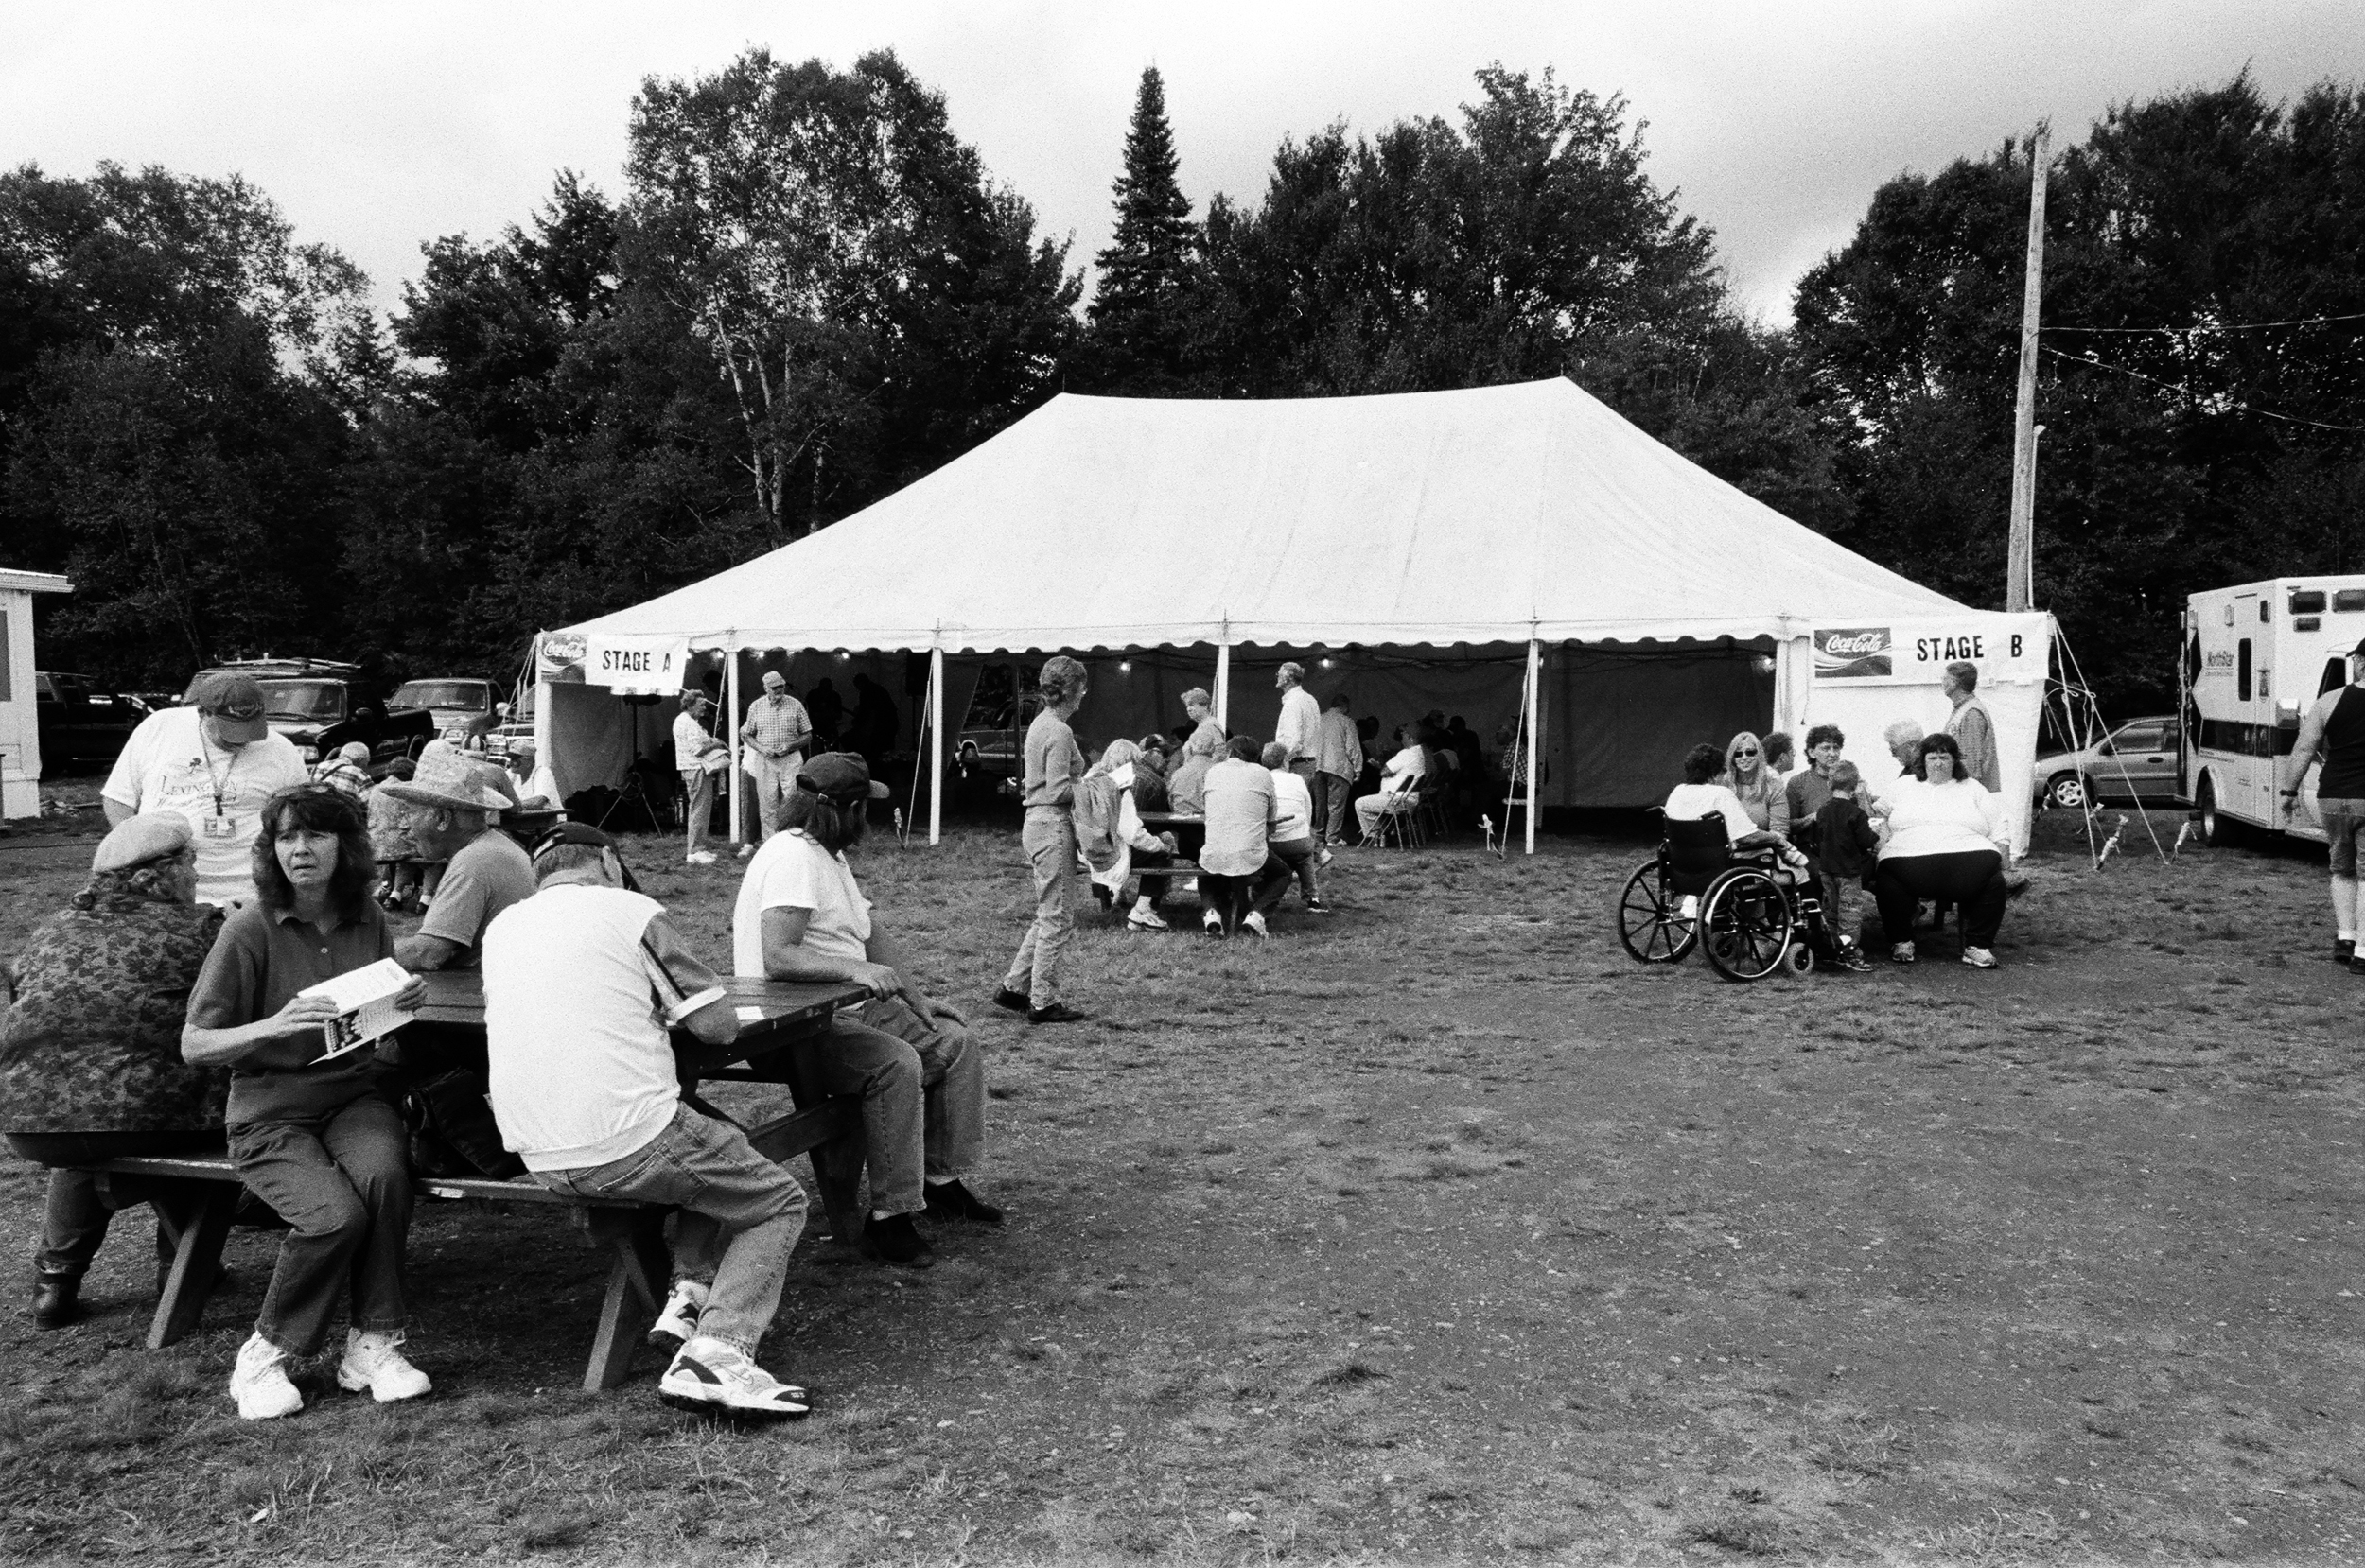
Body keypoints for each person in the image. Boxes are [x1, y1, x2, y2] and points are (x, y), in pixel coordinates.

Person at [482, 824, 812, 1420]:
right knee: (776, 1200)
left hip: (537, 1152)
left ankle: (690, 1295)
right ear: (609, 863)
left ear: (539, 875)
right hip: (626, 1141)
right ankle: (718, 1352)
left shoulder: (503, 927)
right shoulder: (631, 911)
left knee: (719, 1145)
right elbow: (717, 1027)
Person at [182, 786, 431, 1420]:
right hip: (270, 1109)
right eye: (286, 837)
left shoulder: (367, 916)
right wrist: (274, 1025)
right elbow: (195, 1043)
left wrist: (402, 1002)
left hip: (352, 1096)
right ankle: (265, 1354)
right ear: (270, 850)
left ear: (346, 847)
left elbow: (371, 1016)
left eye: (316, 835)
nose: (300, 849)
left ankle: (373, 1344)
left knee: (385, 1180)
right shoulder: (248, 928)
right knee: (333, 1217)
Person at [733, 755, 999, 1270]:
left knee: (953, 1042)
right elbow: (779, 954)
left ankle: (939, 1179)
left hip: (843, 1011)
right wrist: (855, 971)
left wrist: (915, 997)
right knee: (895, 1065)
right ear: (840, 810)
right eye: (862, 808)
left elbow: (870, 931)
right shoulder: (792, 857)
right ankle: (890, 1217)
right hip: (794, 1028)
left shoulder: (825, 854)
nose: (867, 819)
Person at [5, 816, 227, 1330]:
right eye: (191, 864)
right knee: (201, 1102)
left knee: (86, 1130)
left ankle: (54, 1284)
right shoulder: (201, 929)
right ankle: (180, 1267)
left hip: (29, 1121)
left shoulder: (50, 930)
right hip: (143, 1116)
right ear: (161, 874)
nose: (196, 877)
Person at [102, 670, 309, 907]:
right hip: (166, 895)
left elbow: (301, 822)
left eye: (250, 728)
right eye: (230, 730)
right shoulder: (159, 728)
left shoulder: (282, 751)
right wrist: (141, 858)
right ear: (202, 713)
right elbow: (118, 800)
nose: (242, 739)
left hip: (250, 897)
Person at [993, 657, 1091, 1024]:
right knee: (1058, 918)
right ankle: (1043, 1000)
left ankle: (1014, 987)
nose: (1084, 694)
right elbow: (1058, 789)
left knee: (1048, 912)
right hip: (1052, 824)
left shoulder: (1040, 724)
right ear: (1072, 690)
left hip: (1036, 824)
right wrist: (1097, 789)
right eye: (1083, 687)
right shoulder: (1059, 731)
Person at [1870, 733, 2008, 968]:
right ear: (1923, 760)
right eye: (1932, 758)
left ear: (1955, 760)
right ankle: (1902, 941)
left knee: (1994, 882)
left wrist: (2007, 862)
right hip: (1907, 860)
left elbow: (1998, 823)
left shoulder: (1973, 788)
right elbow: (1877, 815)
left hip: (1971, 860)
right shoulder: (1903, 785)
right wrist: (1882, 843)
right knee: (1887, 881)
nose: (1938, 763)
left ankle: (1977, 946)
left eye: (1944, 758)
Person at [386, 754, 534, 970]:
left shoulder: (473, 862)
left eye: (409, 813)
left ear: (442, 818)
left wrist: (354, 962)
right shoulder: (491, 848)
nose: (403, 825)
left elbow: (427, 953)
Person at [2283, 636, 2365, 966]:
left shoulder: (2329, 701)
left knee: (2342, 869)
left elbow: (2303, 749)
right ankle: (2364, 951)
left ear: (2360, 662)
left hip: (2332, 797)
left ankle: (2346, 938)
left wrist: (2288, 792)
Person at [1077, 740, 1182, 931]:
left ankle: (1116, 896)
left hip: (1086, 852)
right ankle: (1142, 911)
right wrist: (1160, 845)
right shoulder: (1119, 789)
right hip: (1111, 855)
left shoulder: (1087, 782)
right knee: (1160, 852)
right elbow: (1132, 833)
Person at [1199, 737, 1288, 936]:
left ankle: (1211, 912)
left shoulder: (1213, 772)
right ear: (1256, 756)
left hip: (1215, 848)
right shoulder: (1263, 773)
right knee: (1282, 873)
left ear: (1230, 752)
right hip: (1250, 850)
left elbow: (1205, 807)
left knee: (1205, 872)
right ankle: (1257, 914)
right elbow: (1271, 816)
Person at [1813, 762, 1881, 973]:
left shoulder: (1822, 810)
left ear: (1829, 784)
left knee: (1832, 909)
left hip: (1826, 869)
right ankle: (1849, 952)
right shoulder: (1856, 814)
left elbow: (1817, 838)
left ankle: (1832, 948)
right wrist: (1875, 835)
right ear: (1855, 787)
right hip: (1848, 871)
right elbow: (1865, 841)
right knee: (1849, 913)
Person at [742, 671, 813, 844]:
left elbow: (808, 735)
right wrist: (761, 748)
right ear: (766, 688)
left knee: (793, 800)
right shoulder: (756, 706)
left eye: (781, 686)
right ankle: (770, 843)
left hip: (790, 759)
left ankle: (794, 840)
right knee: (768, 803)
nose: (779, 690)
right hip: (765, 759)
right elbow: (746, 734)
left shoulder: (795, 704)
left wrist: (790, 745)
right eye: (774, 687)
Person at [1260, 740, 1331, 915]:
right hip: (1297, 842)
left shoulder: (1261, 780)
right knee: (1305, 856)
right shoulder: (1297, 779)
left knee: (1264, 860)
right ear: (1285, 761)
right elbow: (1308, 812)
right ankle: (1312, 898)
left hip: (1269, 843)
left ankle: (1258, 896)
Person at [674, 692, 727, 866]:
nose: (705, 708)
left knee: (700, 808)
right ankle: (695, 851)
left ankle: (699, 848)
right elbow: (697, 750)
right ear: (690, 705)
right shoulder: (688, 723)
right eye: (701, 704)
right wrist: (716, 744)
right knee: (700, 808)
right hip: (696, 768)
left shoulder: (687, 721)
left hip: (694, 768)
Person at [1354, 725, 1428, 843]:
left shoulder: (1407, 753)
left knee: (1360, 803)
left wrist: (1380, 766)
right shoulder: (1420, 754)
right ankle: (1382, 833)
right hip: (1409, 799)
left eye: (1403, 733)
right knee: (1372, 802)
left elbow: (1384, 772)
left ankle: (1375, 837)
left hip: (1396, 800)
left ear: (1410, 737)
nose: (1401, 736)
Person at [367, 758, 423, 910]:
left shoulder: (375, 789)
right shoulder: (407, 789)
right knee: (429, 855)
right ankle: (423, 897)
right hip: (398, 845)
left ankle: (390, 891)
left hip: (375, 844)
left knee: (399, 854)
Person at [1716, 731, 1791, 838]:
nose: (1744, 757)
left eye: (1750, 752)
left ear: (1759, 755)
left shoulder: (1773, 783)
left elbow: (1780, 830)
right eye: (1738, 754)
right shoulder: (1721, 784)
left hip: (1764, 844)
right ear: (1732, 758)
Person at [1941, 663, 2003, 793]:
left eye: (1945, 679)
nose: (1942, 683)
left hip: (1966, 791)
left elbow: (1971, 762)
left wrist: (1965, 794)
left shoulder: (1971, 713)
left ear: (1954, 683)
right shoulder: (1962, 709)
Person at [1166, 688, 1225, 815]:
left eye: (1192, 705)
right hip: (1195, 772)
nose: (1189, 709)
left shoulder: (1211, 724)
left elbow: (1220, 750)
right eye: (1187, 706)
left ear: (1205, 706)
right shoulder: (1202, 725)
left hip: (1203, 772)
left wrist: (1213, 771)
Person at [1314, 695, 1363, 847]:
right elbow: (1352, 746)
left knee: (1320, 806)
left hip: (1318, 767)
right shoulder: (1346, 721)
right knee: (1335, 806)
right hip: (1338, 768)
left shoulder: (1318, 719)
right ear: (1345, 707)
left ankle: (1318, 837)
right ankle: (1332, 838)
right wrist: (1358, 769)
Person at [1786, 724, 1846, 830]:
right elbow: (1787, 825)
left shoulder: (1848, 780)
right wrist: (1812, 818)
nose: (1832, 754)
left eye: (1836, 748)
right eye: (1826, 748)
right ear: (1811, 753)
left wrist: (1862, 796)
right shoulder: (1798, 783)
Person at [1272, 663, 1321, 791]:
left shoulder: (1293, 702)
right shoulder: (1309, 699)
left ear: (1288, 677)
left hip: (1296, 765)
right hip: (1309, 763)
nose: (1277, 677)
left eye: (1279, 674)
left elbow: (1293, 740)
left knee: (1291, 799)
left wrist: (1280, 762)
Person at [849, 674, 898, 769]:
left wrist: (858, 721)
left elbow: (867, 712)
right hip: (889, 724)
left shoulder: (867, 692)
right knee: (887, 753)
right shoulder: (878, 689)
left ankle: (878, 771)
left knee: (877, 753)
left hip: (880, 727)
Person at [504, 740, 562, 810]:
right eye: (511, 759)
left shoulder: (543, 772)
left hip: (552, 817)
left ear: (529, 761)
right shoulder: (512, 774)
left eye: (515, 760)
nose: (511, 763)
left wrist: (509, 806)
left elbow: (537, 802)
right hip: (528, 816)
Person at [1130, 736, 1172, 813]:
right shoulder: (1155, 782)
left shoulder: (1130, 772)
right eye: (1165, 753)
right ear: (1149, 753)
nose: (1168, 759)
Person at [805, 677, 846, 748]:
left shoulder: (834, 696)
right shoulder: (813, 695)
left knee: (833, 745)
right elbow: (806, 711)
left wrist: (830, 714)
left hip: (830, 727)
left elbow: (839, 715)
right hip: (815, 726)